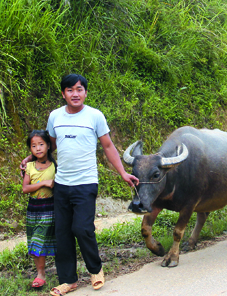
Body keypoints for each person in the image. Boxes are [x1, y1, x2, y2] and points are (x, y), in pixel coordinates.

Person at [20, 74, 139, 296]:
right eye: (70, 90)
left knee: (82, 228)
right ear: (63, 93)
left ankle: (95, 270)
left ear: (85, 92)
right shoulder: (55, 116)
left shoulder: (95, 116)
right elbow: (50, 146)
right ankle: (68, 280)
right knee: (63, 232)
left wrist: (122, 172)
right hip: (61, 185)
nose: (75, 94)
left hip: (86, 183)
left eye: (79, 89)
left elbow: (108, 146)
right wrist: (30, 159)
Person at [22, 130, 57, 289]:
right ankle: (40, 272)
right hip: (33, 207)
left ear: (49, 146)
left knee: (40, 239)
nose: (38, 148)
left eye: (41, 144)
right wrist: (43, 183)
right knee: (34, 241)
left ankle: (41, 274)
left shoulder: (55, 166)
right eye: (33, 146)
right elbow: (25, 188)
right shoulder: (29, 166)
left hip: (49, 207)